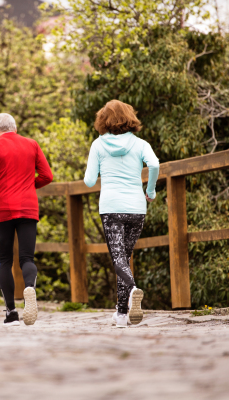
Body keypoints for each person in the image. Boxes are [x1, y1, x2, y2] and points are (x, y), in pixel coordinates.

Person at [83, 100, 159, 328]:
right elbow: (154, 165)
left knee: (118, 259)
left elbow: (88, 182)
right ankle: (121, 314)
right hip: (136, 208)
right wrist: (151, 190)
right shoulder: (141, 144)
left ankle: (133, 289)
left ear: (102, 120)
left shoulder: (98, 145)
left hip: (111, 208)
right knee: (124, 259)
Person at [0, 113, 53, 326]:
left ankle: (11, 312)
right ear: (15, 128)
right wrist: (29, 186)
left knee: (5, 260)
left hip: (2, 207)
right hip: (28, 206)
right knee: (27, 258)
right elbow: (47, 176)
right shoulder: (31, 144)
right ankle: (30, 288)